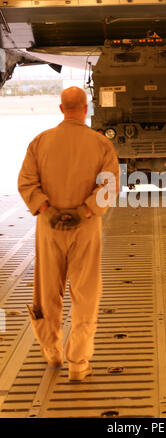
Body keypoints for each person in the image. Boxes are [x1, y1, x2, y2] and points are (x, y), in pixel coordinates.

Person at [18, 87, 119, 381]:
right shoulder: (100, 144)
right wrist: (84, 211)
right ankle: (78, 362)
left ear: (62, 109)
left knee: (48, 292)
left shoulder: (40, 142)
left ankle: (52, 351)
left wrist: (46, 209)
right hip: (85, 229)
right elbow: (109, 186)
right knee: (85, 294)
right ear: (85, 109)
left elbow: (26, 183)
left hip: (49, 228)